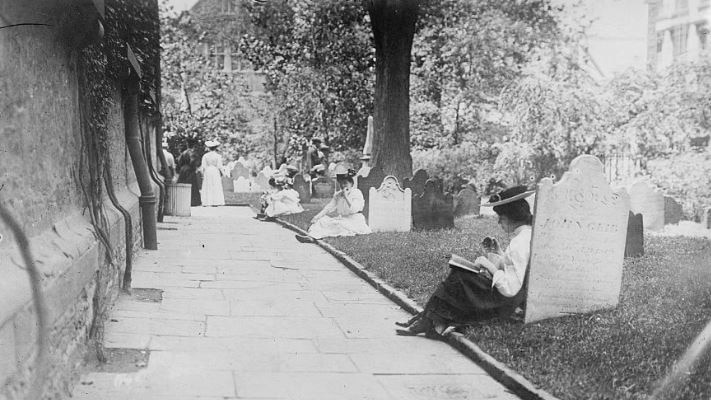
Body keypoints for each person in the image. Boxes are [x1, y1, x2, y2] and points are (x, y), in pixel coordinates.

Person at [395, 185, 534, 338]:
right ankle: (431, 321)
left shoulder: (519, 243)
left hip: (505, 304)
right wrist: (497, 252)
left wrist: (488, 266)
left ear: (510, 217)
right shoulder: (525, 236)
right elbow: (512, 267)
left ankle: (430, 322)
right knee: (459, 275)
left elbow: (509, 288)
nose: (499, 223)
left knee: (459, 277)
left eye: (500, 218)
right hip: (510, 300)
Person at [295, 165, 372, 243]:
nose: (343, 186)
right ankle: (311, 237)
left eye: (345, 183)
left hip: (354, 220)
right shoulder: (338, 195)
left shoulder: (356, 193)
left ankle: (313, 237)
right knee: (322, 221)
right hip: (343, 219)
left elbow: (354, 209)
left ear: (351, 183)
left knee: (337, 225)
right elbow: (328, 208)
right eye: (341, 183)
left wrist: (346, 196)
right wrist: (317, 217)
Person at [199, 140, 225, 207]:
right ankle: (215, 201)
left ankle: (208, 201)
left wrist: (202, 174)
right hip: (215, 171)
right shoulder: (218, 156)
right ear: (216, 148)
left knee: (208, 185)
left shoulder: (205, 156)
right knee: (215, 185)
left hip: (208, 171)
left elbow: (203, 166)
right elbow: (220, 166)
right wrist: (223, 173)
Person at [177, 141, 202, 206]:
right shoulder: (192, 153)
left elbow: (179, 162)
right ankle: (193, 202)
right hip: (190, 170)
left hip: (183, 170)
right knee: (192, 186)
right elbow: (193, 161)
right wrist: (194, 168)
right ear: (193, 145)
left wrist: (182, 167)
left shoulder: (183, 153)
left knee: (182, 185)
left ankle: (182, 200)